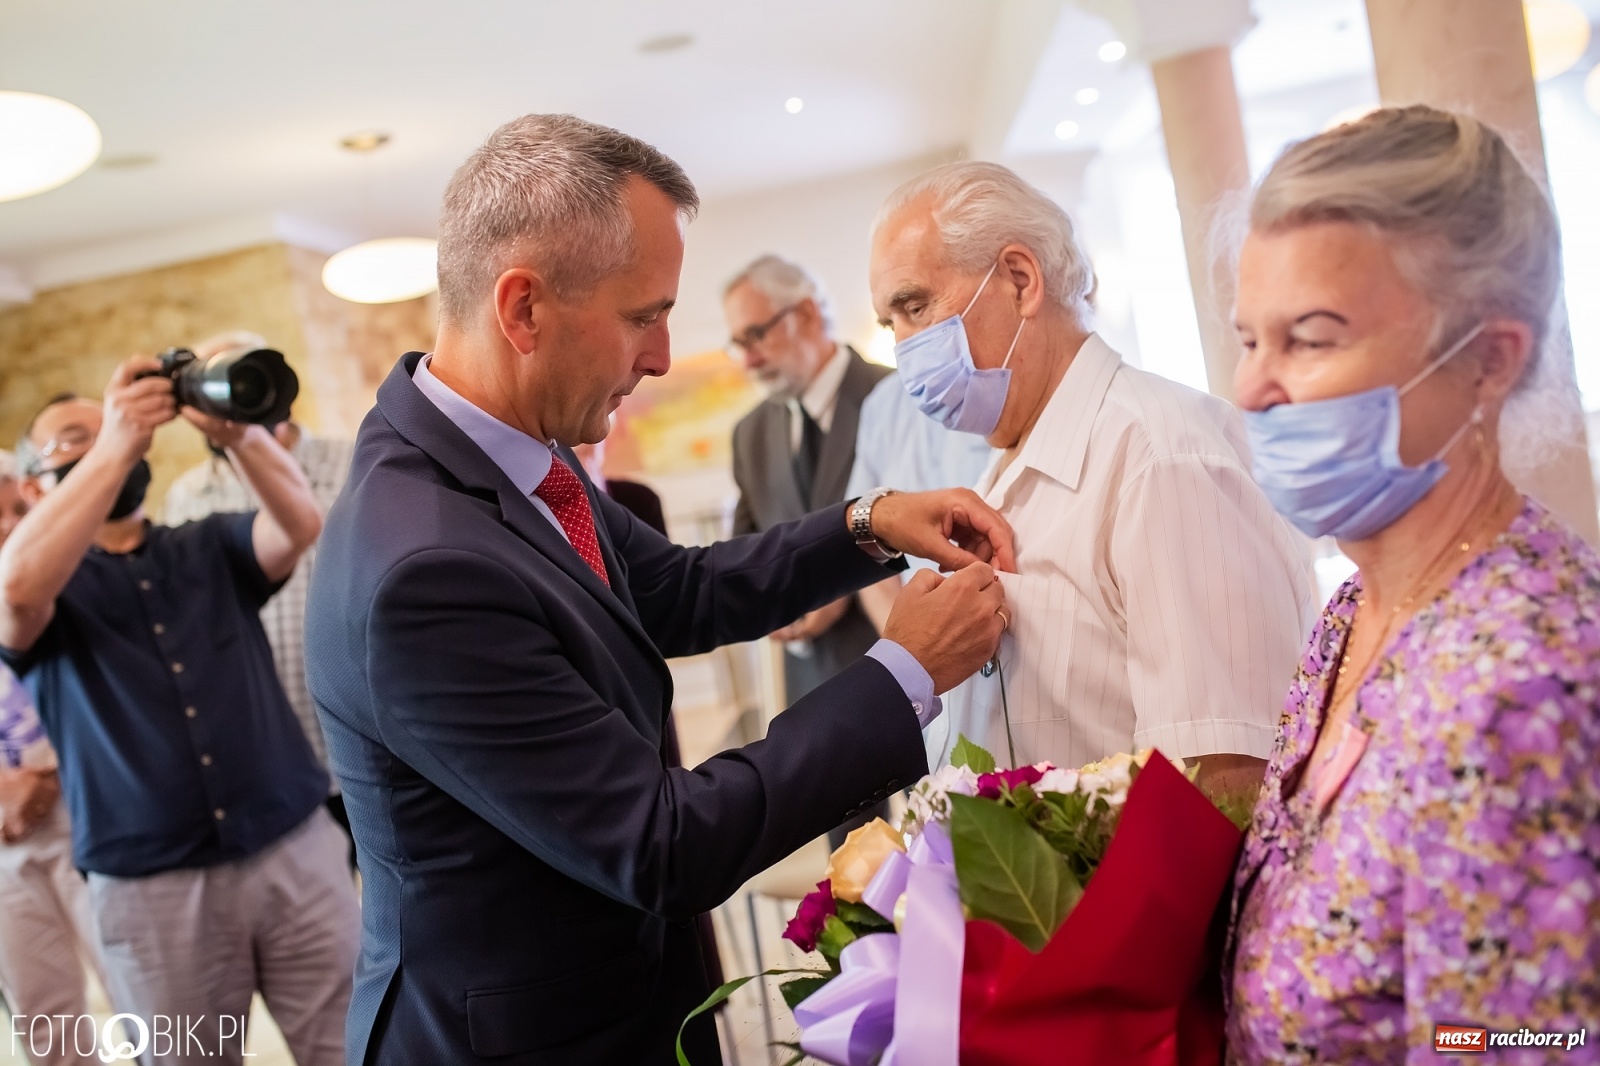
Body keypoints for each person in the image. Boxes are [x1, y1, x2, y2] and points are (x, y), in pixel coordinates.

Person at [305, 113, 1014, 1066]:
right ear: (523, 310)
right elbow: (661, 844)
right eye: (645, 316)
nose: (664, 357)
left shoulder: (514, 455)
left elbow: (676, 588)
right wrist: (903, 672)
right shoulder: (425, 570)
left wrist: (867, 524)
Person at [1224, 106, 1600, 1065]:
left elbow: (1533, 1038)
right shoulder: (1360, 604)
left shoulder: (1527, 682)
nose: (1252, 389)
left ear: (1488, 358)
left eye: (1308, 339)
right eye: (1248, 339)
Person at [870, 160, 1314, 801]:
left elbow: (1223, 783)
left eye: (915, 306)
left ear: (1020, 280)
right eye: (892, 326)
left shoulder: (1162, 460)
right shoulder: (1005, 467)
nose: (904, 349)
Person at [0, 371, 360, 1066]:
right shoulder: (40, 589)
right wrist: (116, 439)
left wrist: (237, 434)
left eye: (115, 431)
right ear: (37, 487)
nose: (107, 442)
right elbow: (14, 586)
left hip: (296, 853)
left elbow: (299, 523)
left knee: (349, 1047)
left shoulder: (205, 543)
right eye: (79, 437)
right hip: (151, 891)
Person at [163, 330, 357, 857]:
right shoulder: (187, 497)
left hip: (365, 736)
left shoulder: (359, 460)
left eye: (243, 372)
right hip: (270, 754)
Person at [725, 254, 894, 847]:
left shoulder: (893, 397)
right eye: (736, 343)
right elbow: (744, 548)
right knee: (858, 886)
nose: (746, 358)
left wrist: (836, 586)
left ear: (802, 314)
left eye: (755, 335)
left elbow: (933, 522)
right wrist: (765, 604)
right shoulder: (750, 434)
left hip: (910, 666)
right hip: (817, 696)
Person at [0, 451, 105, 1066]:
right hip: (6, 843)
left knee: (149, 997)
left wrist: (44, 773)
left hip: (88, 814)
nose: (10, 526)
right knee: (45, 1010)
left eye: (18, 509)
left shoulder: (64, 578)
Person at [847, 371, 996, 631]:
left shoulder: (996, 387)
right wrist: (908, 648)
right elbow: (863, 539)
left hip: (1000, 619)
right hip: (913, 635)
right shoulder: (881, 404)